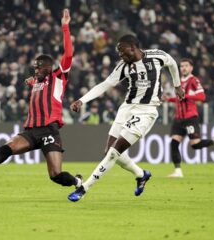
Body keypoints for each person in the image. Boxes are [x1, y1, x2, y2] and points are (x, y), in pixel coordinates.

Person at [0, 9, 83, 189]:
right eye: (34, 68)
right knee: (9, 146)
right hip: (32, 130)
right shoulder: (36, 80)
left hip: (49, 130)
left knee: (55, 175)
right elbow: (36, 82)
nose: (35, 70)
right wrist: (32, 80)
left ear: (48, 68)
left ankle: (77, 181)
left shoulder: (58, 77)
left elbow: (69, 55)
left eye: (38, 68)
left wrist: (65, 27)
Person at [67, 34, 185, 202]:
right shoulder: (123, 66)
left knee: (114, 153)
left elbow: (172, 63)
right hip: (127, 108)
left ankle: (84, 188)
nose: (120, 56)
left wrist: (177, 85)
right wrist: (82, 100)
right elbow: (105, 84)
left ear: (132, 47)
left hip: (146, 111)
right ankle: (141, 174)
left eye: (122, 52)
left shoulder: (157, 56)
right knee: (109, 151)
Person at [164, 58, 214, 178]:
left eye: (186, 66)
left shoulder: (193, 80)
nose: (183, 68)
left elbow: (202, 97)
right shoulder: (178, 81)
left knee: (195, 145)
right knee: (174, 143)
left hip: (190, 117)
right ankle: (178, 171)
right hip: (178, 118)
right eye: (182, 66)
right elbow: (179, 99)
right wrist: (169, 99)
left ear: (191, 68)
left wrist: (186, 95)